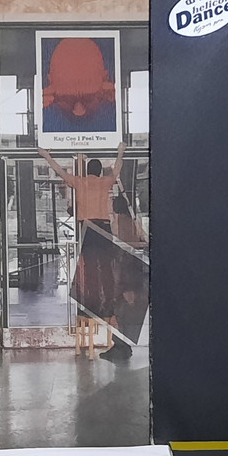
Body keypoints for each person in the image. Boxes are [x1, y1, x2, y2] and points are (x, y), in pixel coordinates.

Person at [38, 142, 134, 361]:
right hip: (104, 229)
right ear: (99, 172)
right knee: (106, 273)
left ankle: (91, 305)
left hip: (87, 229)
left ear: (87, 171)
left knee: (89, 272)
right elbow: (117, 169)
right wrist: (120, 152)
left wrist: (46, 155)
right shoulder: (104, 182)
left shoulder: (79, 182)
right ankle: (109, 316)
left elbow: (59, 170)